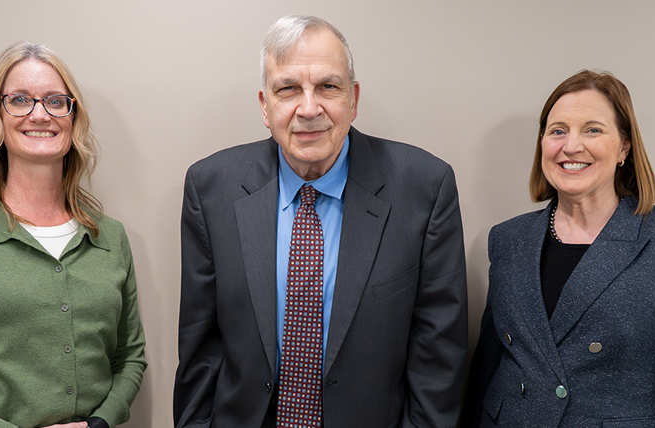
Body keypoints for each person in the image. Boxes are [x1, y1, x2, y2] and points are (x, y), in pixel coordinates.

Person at [173, 14, 467, 428]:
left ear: (353, 98)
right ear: (264, 105)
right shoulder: (210, 189)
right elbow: (200, 352)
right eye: (288, 89)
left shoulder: (424, 188)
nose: (309, 109)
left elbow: (438, 360)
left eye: (328, 86)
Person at [0, 42, 146, 428]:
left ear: (73, 116)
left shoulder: (109, 237)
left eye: (56, 101)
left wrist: (100, 422)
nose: (39, 114)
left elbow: (130, 357)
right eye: (21, 100)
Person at [463, 70, 655, 427]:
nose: (571, 146)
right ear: (542, 143)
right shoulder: (508, 240)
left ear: (624, 147)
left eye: (593, 129)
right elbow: (489, 366)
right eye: (558, 131)